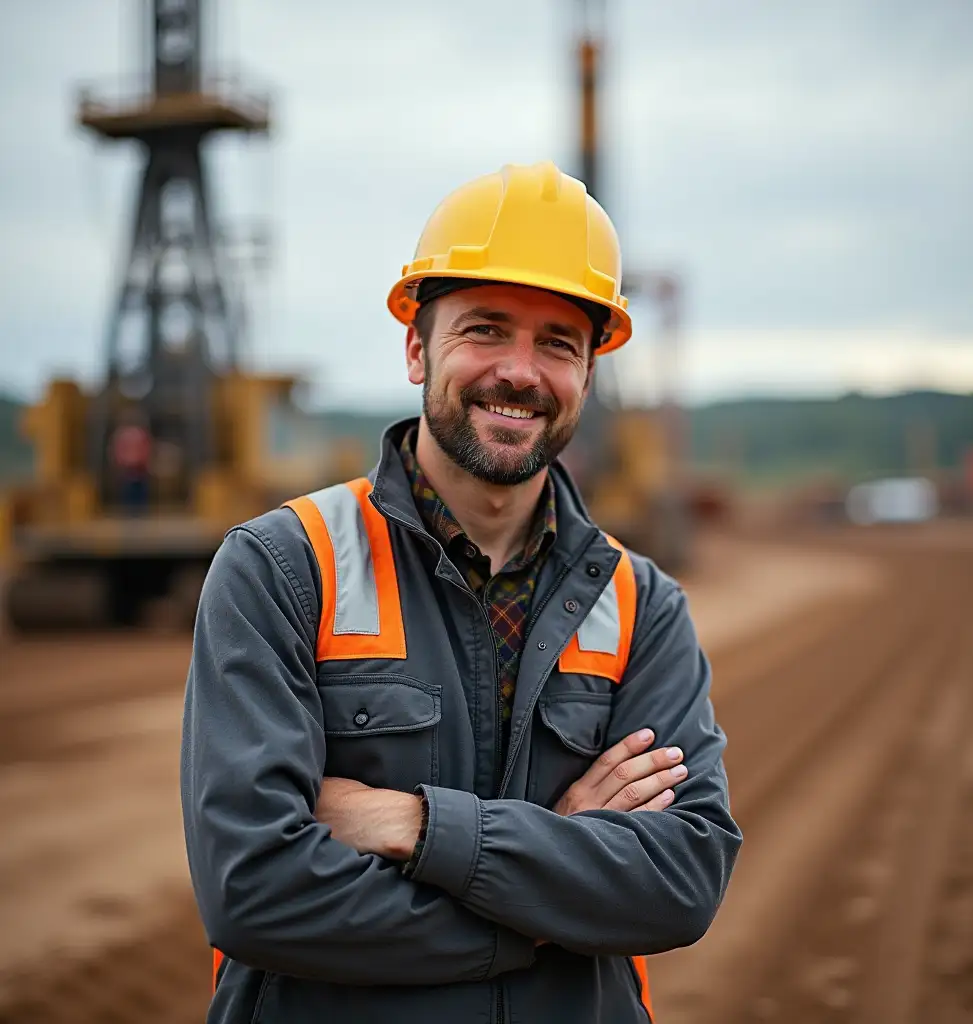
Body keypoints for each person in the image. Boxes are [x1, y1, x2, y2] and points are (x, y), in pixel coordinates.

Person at [180, 160, 741, 1024]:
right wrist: (551, 905)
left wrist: (417, 826)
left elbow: (680, 879)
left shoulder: (642, 605)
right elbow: (255, 891)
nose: (520, 372)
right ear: (416, 347)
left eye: (559, 342)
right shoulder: (285, 568)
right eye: (485, 330)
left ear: (589, 375)